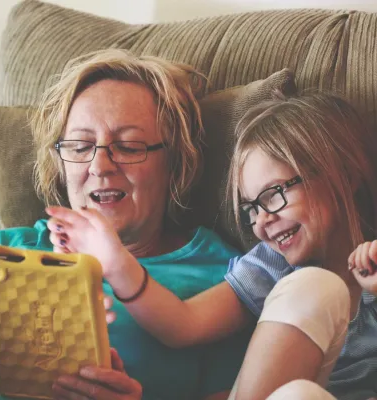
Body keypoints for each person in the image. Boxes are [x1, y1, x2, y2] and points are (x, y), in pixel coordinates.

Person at [47, 92, 377, 400]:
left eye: (274, 195)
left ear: (344, 175)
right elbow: (183, 324)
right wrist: (116, 261)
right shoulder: (271, 266)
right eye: (251, 209)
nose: (261, 222)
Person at [0, 49, 249, 400]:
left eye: (128, 145)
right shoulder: (7, 250)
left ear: (175, 161)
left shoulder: (222, 277)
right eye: (80, 145)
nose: (100, 165)